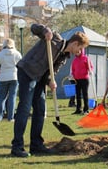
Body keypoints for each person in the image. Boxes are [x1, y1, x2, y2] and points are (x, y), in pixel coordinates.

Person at [11, 24, 90, 158]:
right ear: (75, 43)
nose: (79, 51)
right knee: (25, 108)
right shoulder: (54, 39)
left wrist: (49, 81)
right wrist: (45, 31)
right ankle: (17, 146)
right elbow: (34, 27)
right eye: (80, 48)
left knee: (40, 109)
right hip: (27, 72)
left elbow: (51, 72)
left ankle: (36, 145)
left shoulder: (64, 57)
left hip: (39, 78)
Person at [0, 38, 22, 122]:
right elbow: (22, 65)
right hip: (14, 77)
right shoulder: (17, 54)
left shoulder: (0, 54)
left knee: (2, 97)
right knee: (12, 97)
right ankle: (10, 117)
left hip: (3, 78)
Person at [71, 48, 93, 115]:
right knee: (78, 95)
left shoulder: (86, 58)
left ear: (81, 50)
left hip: (84, 79)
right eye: (76, 51)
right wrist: (72, 75)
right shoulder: (74, 60)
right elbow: (73, 69)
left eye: (78, 51)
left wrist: (90, 71)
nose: (77, 52)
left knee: (85, 94)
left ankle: (86, 109)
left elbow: (91, 67)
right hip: (77, 80)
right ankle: (78, 109)